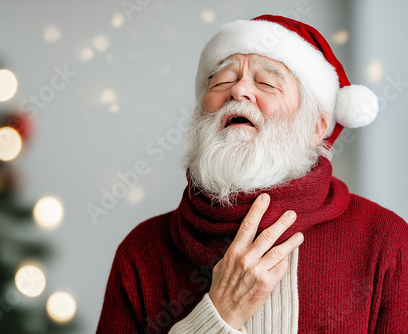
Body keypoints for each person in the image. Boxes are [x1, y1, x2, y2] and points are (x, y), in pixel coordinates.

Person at [96, 15, 408, 333]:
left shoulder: (386, 240)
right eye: (220, 82)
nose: (239, 90)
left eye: (267, 83)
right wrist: (219, 315)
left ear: (316, 127)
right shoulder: (142, 250)